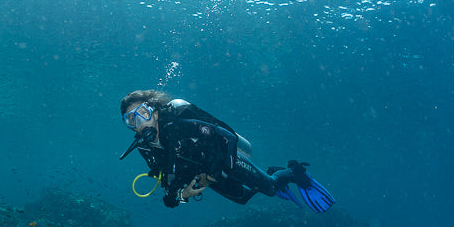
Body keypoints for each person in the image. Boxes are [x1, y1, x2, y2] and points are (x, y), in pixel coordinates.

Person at [118, 89, 334, 211]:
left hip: (224, 158)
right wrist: (183, 195)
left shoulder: (179, 125)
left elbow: (228, 137)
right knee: (243, 197)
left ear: (155, 113)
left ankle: (293, 173)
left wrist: (212, 175)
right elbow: (169, 192)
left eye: (143, 113)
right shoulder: (145, 148)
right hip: (204, 174)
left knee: (269, 188)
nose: (139, 122)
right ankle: (268, 174)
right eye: (130, 119)